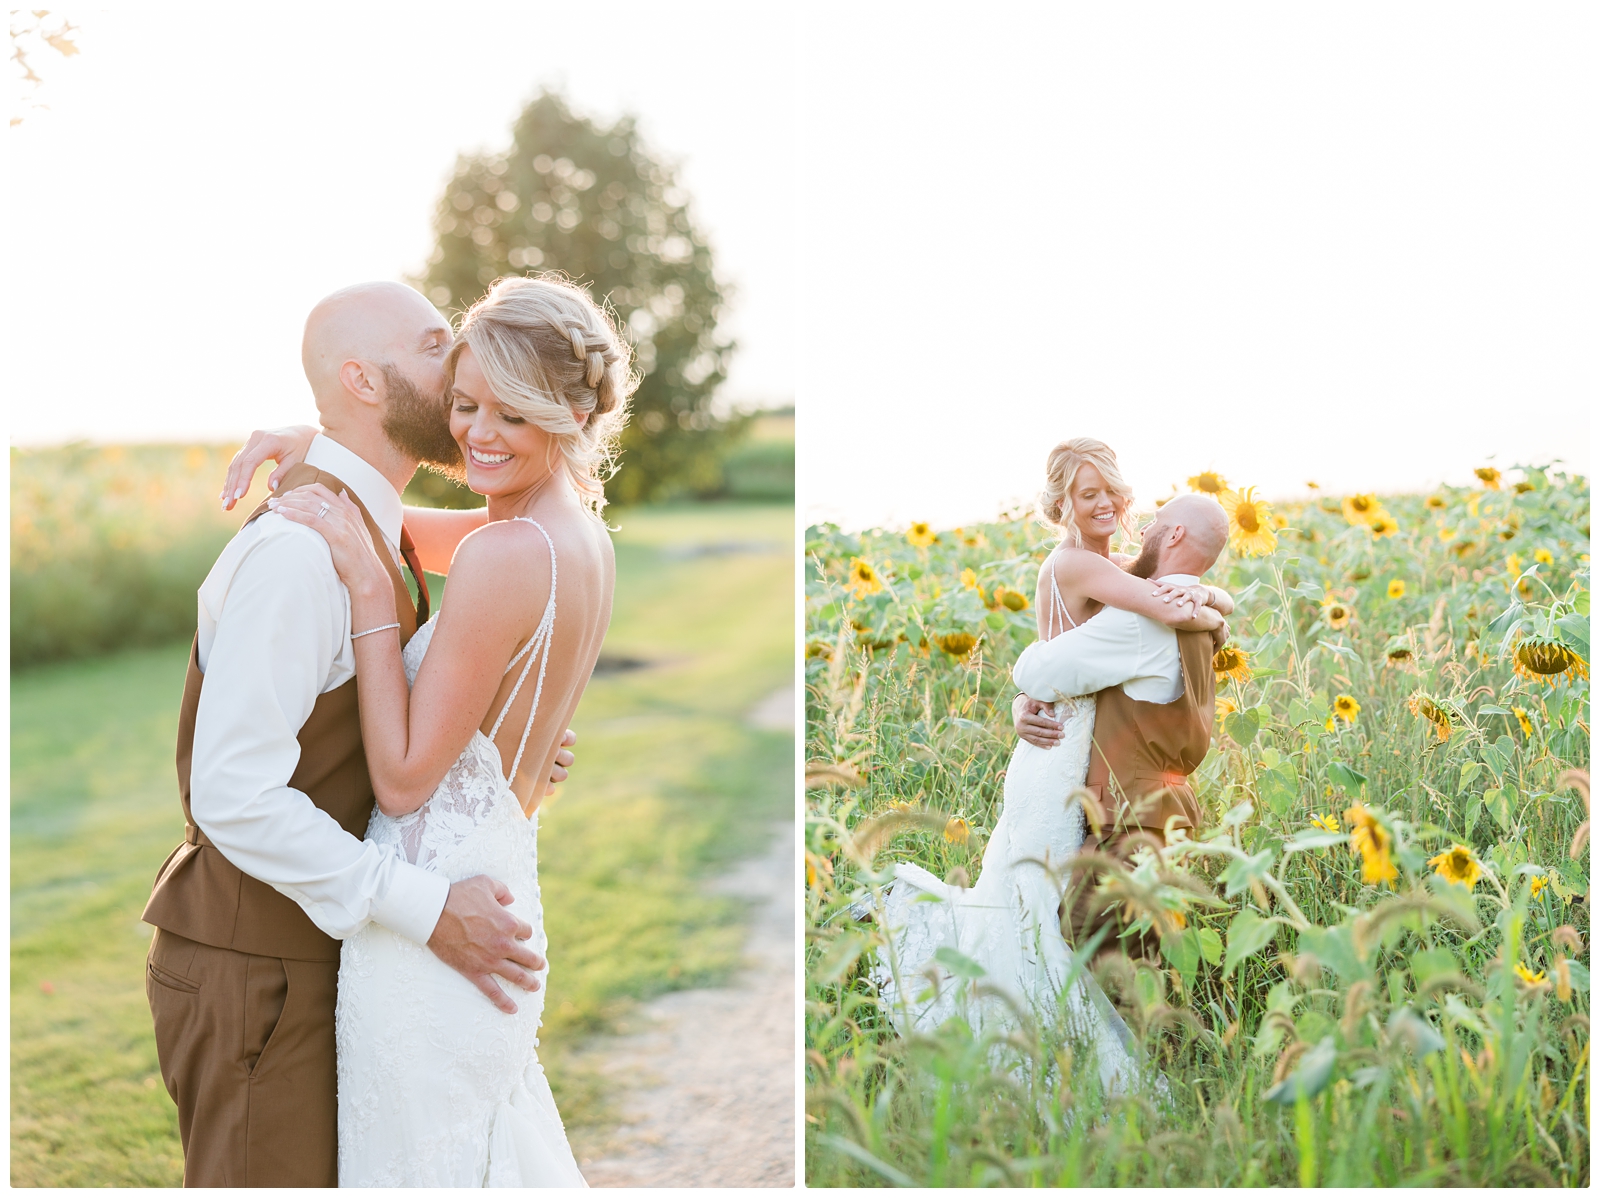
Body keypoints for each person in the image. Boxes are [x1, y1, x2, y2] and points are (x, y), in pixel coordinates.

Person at [139, 279, 591, 1187]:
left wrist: (494, 745)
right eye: (435, 346)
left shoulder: (379, 532)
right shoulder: (301, 552)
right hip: (253, 968)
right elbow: (234, 796)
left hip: (325, 955)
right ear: (366, 379)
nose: (459, 357)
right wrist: (425, 908)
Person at [868, 438, 1232, 1095]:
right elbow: (1151, 609)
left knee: (1037, 897)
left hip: (1073, 738)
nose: (1107, 504)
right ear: (1061, 503)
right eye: (1087, 493)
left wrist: (1203, 600)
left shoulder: (1111, 566)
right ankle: (1033, 1042)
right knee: (1031, 898)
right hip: (1058, 747)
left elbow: (1149, 601)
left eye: (1111, 491)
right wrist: (1203, 606)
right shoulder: (1079, 567)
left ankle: (1054, 1034)